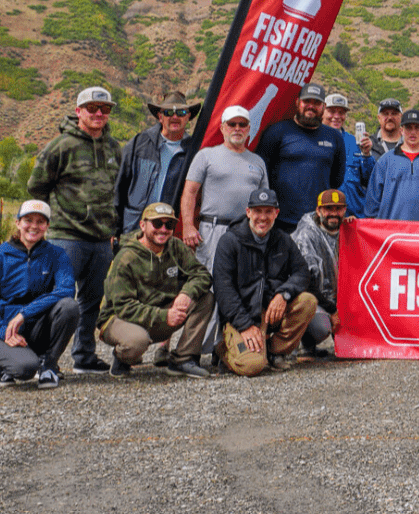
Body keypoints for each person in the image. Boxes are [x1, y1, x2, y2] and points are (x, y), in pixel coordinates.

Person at [27, 86, 123, 376]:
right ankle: (46, 358)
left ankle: (84, 356)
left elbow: (118, 190)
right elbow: (36, 186)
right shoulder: (61, 146)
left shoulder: (114, 148)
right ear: (79, 111)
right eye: (92, 108)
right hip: (66, 236)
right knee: (58, 299)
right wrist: (45, 225)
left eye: (104, 109)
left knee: (92, 301)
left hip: (100, 239)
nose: (98, 113)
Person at [97, 202, 214, 379]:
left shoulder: (175, 247)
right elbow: (123, 307)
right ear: (143, 225)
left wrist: (186, 293)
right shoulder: (126, 257)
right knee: (137, 341)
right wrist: (164, 316)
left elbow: (202, 275)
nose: (163, 229)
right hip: (119, 318)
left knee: (205, 297)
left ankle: (183, 359)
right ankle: (122, 357)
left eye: (169, 225)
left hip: (158, 313)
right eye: (157, 223)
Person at [213, 188, 318, 376]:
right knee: (252, 367)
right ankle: (223, 351)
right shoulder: (229, 242)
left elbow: (302, 272)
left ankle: (275, 351)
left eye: (268, 211)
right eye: (258, 211)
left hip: (271, 311)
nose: (263, 217)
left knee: (307, 301)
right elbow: (223, 289)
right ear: (248, 213)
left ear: (276, 214)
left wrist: (284, 294)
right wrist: (244, 325)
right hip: (243, 315)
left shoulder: (283, 240)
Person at [0, 200, 79, 389]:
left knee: (69, 307)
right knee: (25, 369)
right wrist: (4, 332)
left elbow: (66, 290)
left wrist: (23, 314)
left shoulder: (57, 255)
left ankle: (48, 366)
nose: (34, 226)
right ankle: (6, 365)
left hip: (35, 327)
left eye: (40, 222)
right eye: (28, 220)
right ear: (17, 223)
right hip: (0, 332)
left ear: (47, 226)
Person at [181, 105, 270, 271]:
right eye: (232, 124)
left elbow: (265, 204)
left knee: (243, 280)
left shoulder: (258, 162)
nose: (237, 128)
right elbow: (189, 192)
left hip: (247, 232)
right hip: (213, 231)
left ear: (249, 129)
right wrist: (187, 225)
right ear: (222, 128)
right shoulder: (205, 156)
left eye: (242, 125)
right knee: (208, 281)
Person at [254, 82, 346, 236]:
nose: (311, 106)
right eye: (307, 101)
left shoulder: (334, 137)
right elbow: (261, 174)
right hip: (280, 222)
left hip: (317, 223)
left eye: (316, 103)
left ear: (323, 107)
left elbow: (336, 180)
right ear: (297, 103)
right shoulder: (277, 131)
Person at [115, 90, 197, 238]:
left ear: (188, 116)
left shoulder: (194, 152)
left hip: (167, 233)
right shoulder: (139, 143)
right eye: (168, 113)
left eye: (181, 112)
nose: (174, 117)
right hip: (133, 229)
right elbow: (119, 186)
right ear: (160, 116)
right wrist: (114, 228)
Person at [289, 189, 347, 356]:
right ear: (319, 210)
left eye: (339, 209)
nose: (334, 214)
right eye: (328, 209)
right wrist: (332, 310)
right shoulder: (307, 236)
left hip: (335, 298)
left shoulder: (347, 230)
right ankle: (301, 344)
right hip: (311, 297)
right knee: (322, 327)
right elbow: (307, 281)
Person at [324, 93, 370, 218]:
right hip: (326, 217)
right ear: (322, 111)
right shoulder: (313, 139)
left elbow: (368, 179)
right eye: (332, 111)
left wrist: (367, 155)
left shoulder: (354, 141)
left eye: (341, 112)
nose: (337, 116)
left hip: (354, 217)